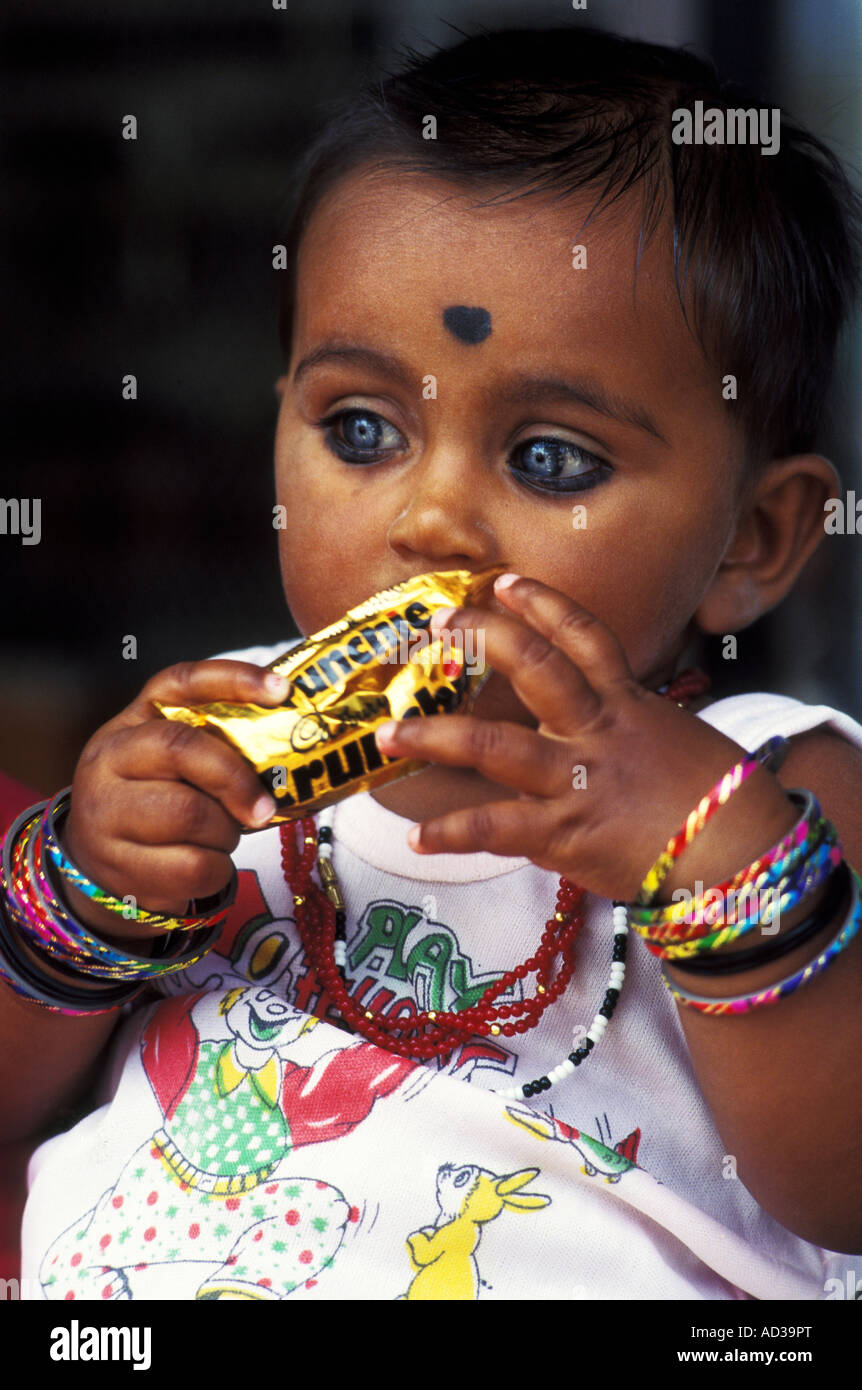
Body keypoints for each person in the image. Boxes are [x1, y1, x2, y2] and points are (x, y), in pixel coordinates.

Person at [4, 25, 862, 1302]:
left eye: (549, 458)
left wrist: (720, 865)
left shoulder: (773, 783)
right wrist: (82, 899)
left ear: (753, 538)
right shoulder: (212, 749)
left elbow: (841, 1190)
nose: (429, 523)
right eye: (361, 429)